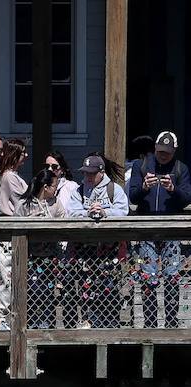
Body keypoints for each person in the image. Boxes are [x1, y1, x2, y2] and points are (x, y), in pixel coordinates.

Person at [129, 131, 191, 328]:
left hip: (171, 230)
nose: (163, 155)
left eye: (168, 152)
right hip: (147, 230)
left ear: (174, 151)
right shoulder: (142, 165)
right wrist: (145, 187)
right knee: (149, 277)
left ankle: (171, 322)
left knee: (172, 277)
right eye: (160, 151)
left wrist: (173, 189)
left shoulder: (181, 168)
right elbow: (133, 197)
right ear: (155, 148)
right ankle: (149, 322)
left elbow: (187, 198)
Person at [72, 153, 130, 328]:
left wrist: (106, 213)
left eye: (91, 173)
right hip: (85, 247)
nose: (88, 177)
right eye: (85, 173)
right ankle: (89, 320)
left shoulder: (114, 189)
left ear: (101, 172)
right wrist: (87, 213)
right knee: (86, 285)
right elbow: (71, 211)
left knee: (109, 284)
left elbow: (123, 211)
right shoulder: (79, 190)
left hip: (109, 247)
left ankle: (109, 320)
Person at [18, 167, 68, 329]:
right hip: (29, 256)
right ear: (45, 187)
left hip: (50, 255)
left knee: (48, 292)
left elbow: (63, 222)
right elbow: (16, 226)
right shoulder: (24, 205)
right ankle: (29, 323)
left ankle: (48, 324)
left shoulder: (56, 203)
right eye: (54, 186)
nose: (56, 189)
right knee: (31, 291)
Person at [0, 138, 29, 324]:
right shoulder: (9, 176)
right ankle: (3, 317)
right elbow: (22, 202)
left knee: (12, 274)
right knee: (7, 275)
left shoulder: (12, 175)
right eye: (22, 153)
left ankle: (9, 315)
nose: (26, 156)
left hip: (15, 233)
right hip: (9, 232)